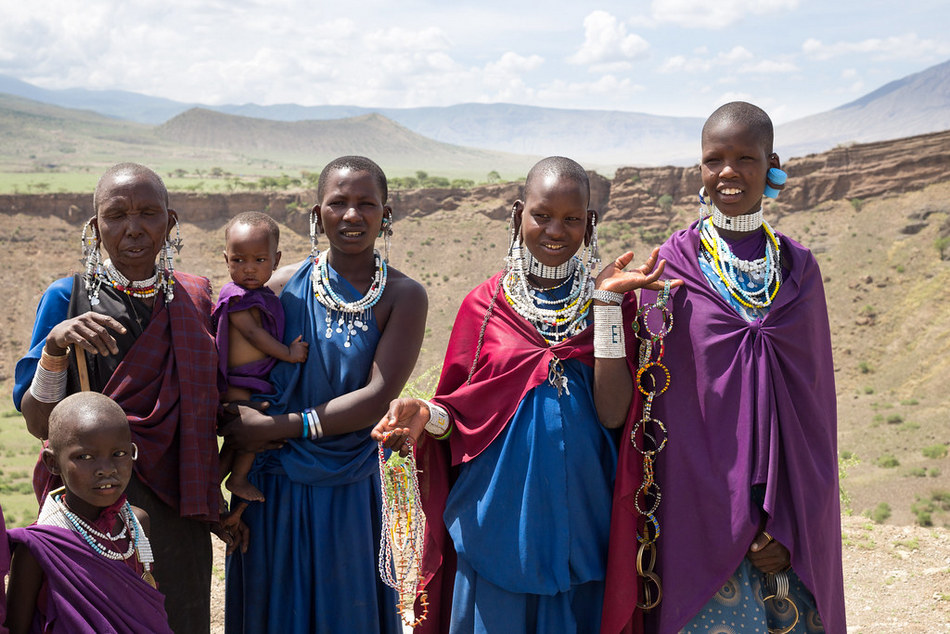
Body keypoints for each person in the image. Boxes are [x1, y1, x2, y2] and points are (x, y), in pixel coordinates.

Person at [374, 156, 675, 634]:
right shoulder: (484, 305)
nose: (556, 230)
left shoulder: (610, 303)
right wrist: (424, 413)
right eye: (542, 215)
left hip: (585, 523)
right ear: (518, 215)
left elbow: (615, 414)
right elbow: (461, 412)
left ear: (589, 223)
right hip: (498, 527)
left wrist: (608, 307)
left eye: (572, 219)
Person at [603, 102, 846, 633]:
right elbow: (665, 409)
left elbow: (814, 413)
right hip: (702, 510)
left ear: (772, 163)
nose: (729, 172)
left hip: (790, 520)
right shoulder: (671, 268)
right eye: (715, 160)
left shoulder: (799, 269)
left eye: (745, 158)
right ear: (700, 170)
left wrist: (792, 521)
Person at [12, 163, 224, 633]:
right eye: (116, 215)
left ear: (170, 223)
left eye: (149, 213)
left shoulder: (195, 298)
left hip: (178, 509)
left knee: (181, 618)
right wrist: (54, 349)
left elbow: (215, 407)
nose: (133, 228)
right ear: (95, 227)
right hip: (92, 505)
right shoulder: (66, 299)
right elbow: (37, 422)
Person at [222, 156, 428, 632]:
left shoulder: (404, 296)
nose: (352, 215)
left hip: (350, 489)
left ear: (386, 214)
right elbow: (240, 382)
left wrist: (279, 426)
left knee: (345, 612)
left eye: (366, 204)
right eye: (338, 203)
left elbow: (378, 397)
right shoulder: (274, 288)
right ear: (317, 215)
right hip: (274, 487)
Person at [5, 392, 172, 634]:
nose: (106, 469)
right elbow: (16, 628)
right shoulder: (39, 548)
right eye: (84, 457)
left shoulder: (137, 524)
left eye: (119, 454)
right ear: (52, 463)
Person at [213, 211, 308, 503]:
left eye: (259, 260)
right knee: (250, 429)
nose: (249, 269)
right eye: (238, 260)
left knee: (238, 440)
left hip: (253, 381)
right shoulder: (236, 296)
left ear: (276, 261)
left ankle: (211, 485)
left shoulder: (266, 296)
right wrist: (289, 355)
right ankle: (236, 479)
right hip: (239, 382)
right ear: (226, 259)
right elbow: (255, 335)